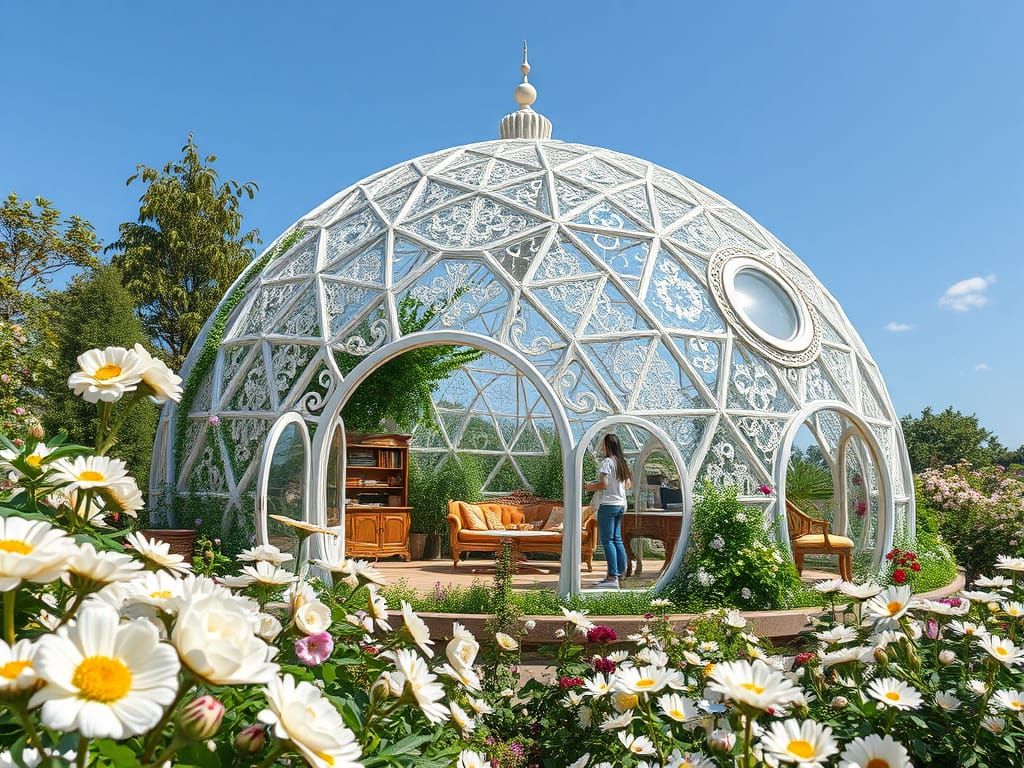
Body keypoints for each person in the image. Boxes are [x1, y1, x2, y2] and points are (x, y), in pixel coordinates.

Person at [584, 433, 632, 589]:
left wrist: (588, 487)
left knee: (607, 541)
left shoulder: (607, 462)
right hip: (621, 505)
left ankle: (612, 577)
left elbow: (603, 484)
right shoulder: (622, 463)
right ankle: (621, 573)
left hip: (609, 505)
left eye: (603, 444)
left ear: (607, 445)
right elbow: (628, 485)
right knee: (617, 539)